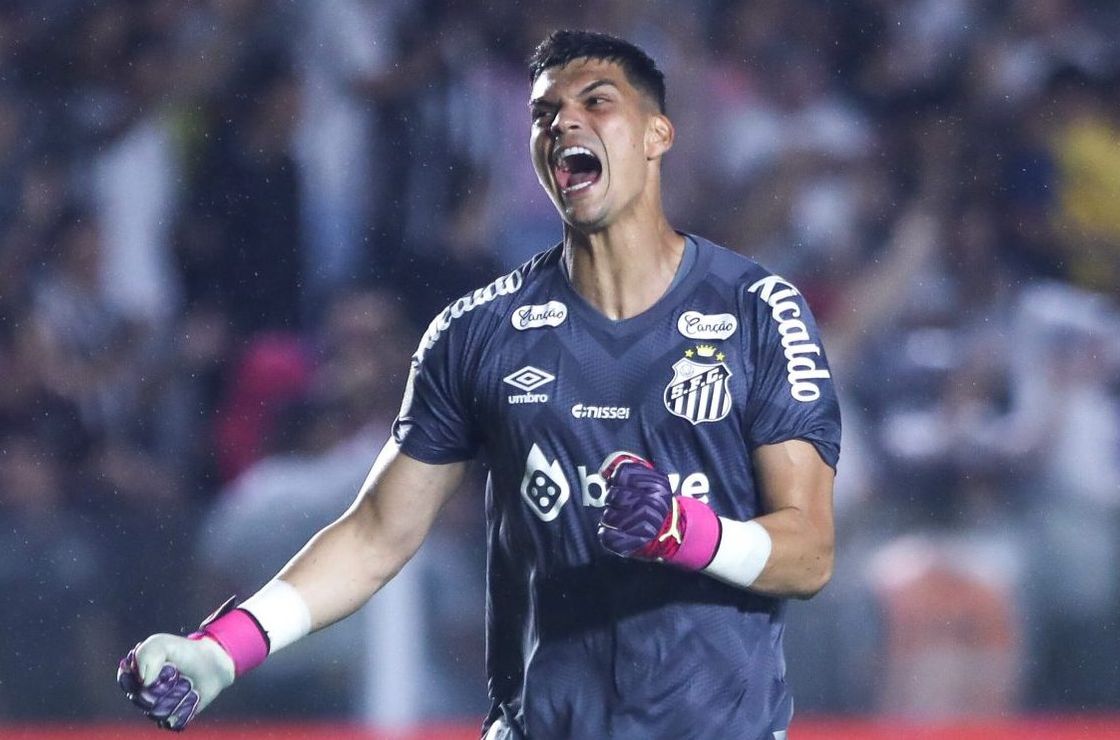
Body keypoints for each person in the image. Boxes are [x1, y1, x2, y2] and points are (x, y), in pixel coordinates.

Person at [117, 30, 841, 739]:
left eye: (596, 102)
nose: (564, 124)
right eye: (544, 114)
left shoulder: (757, 311)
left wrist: (693, 534)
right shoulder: (478, 333)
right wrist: (222, 649)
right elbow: (376, 534)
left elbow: (808, 551)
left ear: (657, 134)